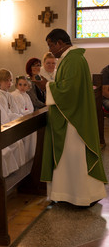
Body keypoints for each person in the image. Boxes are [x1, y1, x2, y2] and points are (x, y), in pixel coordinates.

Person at [41, 28, 107, 206]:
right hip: (73, 115)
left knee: (74, 157)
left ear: (60, 43)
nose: (51, 50)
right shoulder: (71, 59)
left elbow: (67, 91)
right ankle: (72, 195)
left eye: (51, 45)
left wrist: (47, 85)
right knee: (72, 159)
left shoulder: (73, 60)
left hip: (72, 119)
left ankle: (79, 197)